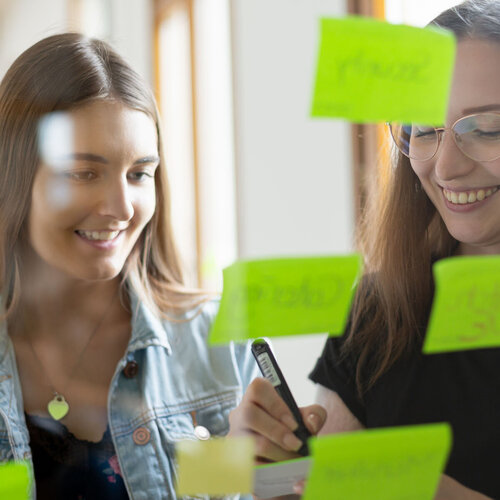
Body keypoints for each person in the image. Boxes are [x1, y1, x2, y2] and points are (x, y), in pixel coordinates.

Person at [228, 1, 500, 498]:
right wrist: (273, 473)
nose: (444, 169)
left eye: (484, 128)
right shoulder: (379, 313)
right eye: (422, 130)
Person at [0, 33, 258, 499]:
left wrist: (273, 479)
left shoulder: (222, 345)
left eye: (139, 173)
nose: (121, 207)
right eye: (84, 173)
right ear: (15, 178)